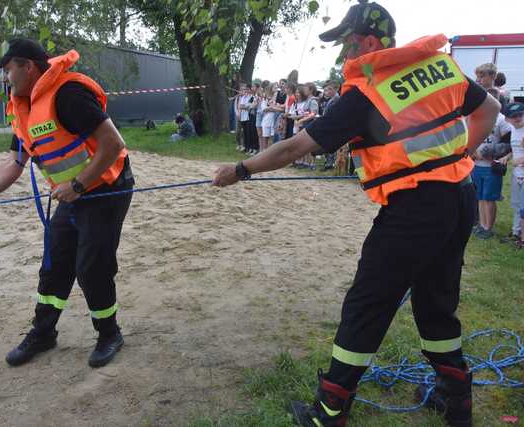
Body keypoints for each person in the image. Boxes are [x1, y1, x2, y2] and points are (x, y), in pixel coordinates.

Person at [212, 2, 500, 426]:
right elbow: (489, 110)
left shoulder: (366, 93)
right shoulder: (442, 68)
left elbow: (295, 147)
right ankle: (456, 400)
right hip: (460, 197)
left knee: (367, 304)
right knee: (437, 302)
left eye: (347, 45)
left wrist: (240, 170)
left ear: (368, 41)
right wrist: (459, 153)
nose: (343, 56)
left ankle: (329, 411)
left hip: (414, 208)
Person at [0, 38, 135, 369]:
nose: (5, 77)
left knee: (91, 266)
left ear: (28, 66)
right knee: (55, 263)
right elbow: (15, 165)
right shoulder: (24, 106)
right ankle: (44, 333)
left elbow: (113, 144)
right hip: (74, 193)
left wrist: (77, 184)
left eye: (8, 68)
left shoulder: (68, 94)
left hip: (106, 188)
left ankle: (109, 334)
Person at [470, 87, 511, 239]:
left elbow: (508, 144)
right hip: (476, 165)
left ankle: (489, 227)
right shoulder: (476, 116)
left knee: (489, 198)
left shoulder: (502, 120)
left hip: (491, 166)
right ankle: (482, 224)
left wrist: (489, 152)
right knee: (480, 197)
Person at [499, 102, 524, 248]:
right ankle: (516, 232)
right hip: (517, 175)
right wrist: (507, 157)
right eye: (513, 116)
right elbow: (516, 149)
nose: (517, 118)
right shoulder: (514, 130)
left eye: (520, 115)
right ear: (507, 119)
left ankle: (521, 239)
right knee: (516, 205)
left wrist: (518, 160)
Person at [319, 81, 341, 170]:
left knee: (331, 145)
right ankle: (328, 162)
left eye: (329, 89)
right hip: (328, 124)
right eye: (325, 90)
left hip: (333, 125)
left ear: (336, 89)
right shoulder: (331, 99)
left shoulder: (337, 99)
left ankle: (330, 163)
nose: (326, 92)